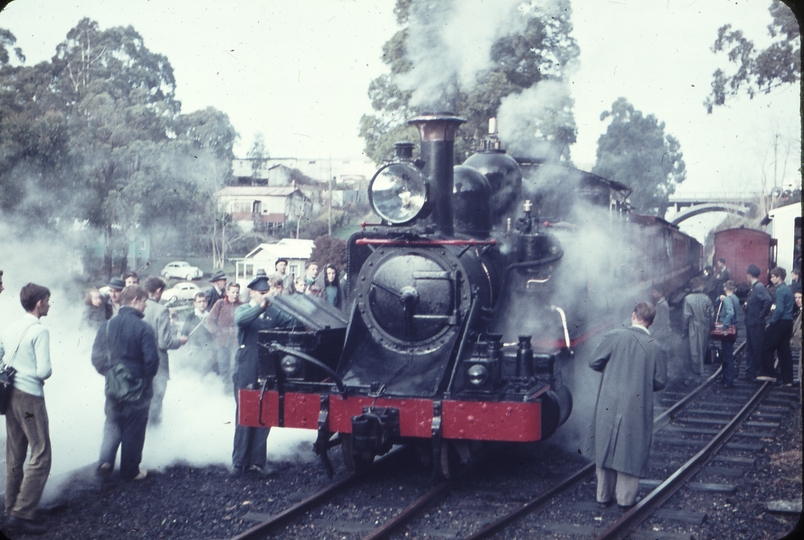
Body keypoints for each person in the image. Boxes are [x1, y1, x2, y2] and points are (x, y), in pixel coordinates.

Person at [589, 302, 666, 510]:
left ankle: (603, 496)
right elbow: (660, 382)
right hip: (636, 404)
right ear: (651, 321)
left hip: (609, 401)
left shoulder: (615, 336)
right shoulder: (655, 347)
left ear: (633, 315)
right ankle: (625, 499)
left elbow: (594, 361)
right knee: (631, 448)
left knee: (606, 445)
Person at [91, 285, 159, 483]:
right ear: (135, 300)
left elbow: (96, 358)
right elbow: (152, 362)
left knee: (112, 422)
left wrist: (110, 373)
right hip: (138, 388)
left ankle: (105, 461)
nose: (146, 305)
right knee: (134, 428)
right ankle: (130, 471)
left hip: (113, 385)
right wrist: (145, 380)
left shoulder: (107, 326)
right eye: (144, 301)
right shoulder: (144, 328)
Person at [231, 275, 297, 478]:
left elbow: (292, 320)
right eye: (261, 293)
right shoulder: (244, 309)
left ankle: (257, 462)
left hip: (267, 367)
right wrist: (262, 306)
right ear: (252, 292)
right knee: (245, 414)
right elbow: (241, 320)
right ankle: (239, 462)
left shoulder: (272, 312)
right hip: (247, 366)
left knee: (265, 413)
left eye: (266, 293)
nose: (264, 296)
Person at [0, 283, 53, 535]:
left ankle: (11, 507)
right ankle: (22, 513)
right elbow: (44, 370)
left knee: (15, 451)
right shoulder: (39, 331)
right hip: (30, 400)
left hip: (9, 397)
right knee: (41, 451)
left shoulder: (11, 327)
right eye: (48, 300)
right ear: (39, 303)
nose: (49, 304)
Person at [142, 276, 188, 425]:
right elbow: (164, 342)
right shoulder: (161, 310)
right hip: (157, 363)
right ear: (158, 291)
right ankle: (154, 433)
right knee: (156, 401)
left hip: (139, 362)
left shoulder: (137, 307)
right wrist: (179, 341)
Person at [757, 267, 795, 385]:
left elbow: (779, 310)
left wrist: (772, 323)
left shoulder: (779, 290)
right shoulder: (788, 290)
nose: (771, 278)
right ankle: (788, 379)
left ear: (779, 277)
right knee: (784, 350)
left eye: (773, 276)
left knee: (766, 346)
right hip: (788, 323)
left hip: (781, 322)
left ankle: (769, 373)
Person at [206, 282, 244, 386]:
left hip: (237, 341)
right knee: (224, 367)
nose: (235, 295)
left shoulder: (242, 305)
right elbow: (209, 320)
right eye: (233, 292)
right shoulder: (220, 303)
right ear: (227, 292)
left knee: (236, 366)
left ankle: (235, 390)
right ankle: (224, 390)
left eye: (237, 292)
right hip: (222, 341)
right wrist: (217, 332)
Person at [743, 264, 773, 381]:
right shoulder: (754, 287)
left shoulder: (759, 287)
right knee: (750, 348)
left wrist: (762, 314)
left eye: (747, 274)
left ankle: (759, 372)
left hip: (756, 323)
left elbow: (768, 300)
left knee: (757, 348)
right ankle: (750, 373)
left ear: (749, 275)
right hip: (751, 322)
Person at [682, 277, 714, 384]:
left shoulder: (688, 299)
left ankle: (693, 375)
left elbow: (686, 316)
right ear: (700, 287)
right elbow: (711, 314)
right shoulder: (706, 298)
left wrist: (684, 330)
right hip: (705, 328)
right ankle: (699, 373)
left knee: (693, 351)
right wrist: (711, 327)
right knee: (702, 349)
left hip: (693, 328)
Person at [180, 293, 216, 373]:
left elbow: (213, 335)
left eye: (204, 301)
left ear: (207, 302)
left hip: (207, 349)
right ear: (195, 304)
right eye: (199, 302)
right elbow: (184, 334)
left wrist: (211, 350)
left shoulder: (210, 316)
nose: (202, 304)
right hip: (194, 349)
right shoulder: (191, 316)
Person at [716, 280, 740, 388]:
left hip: (728, 330)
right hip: (734, 328)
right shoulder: (735, 298)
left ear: (725, 288)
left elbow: (730, 313)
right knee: (727, 354)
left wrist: (724, 326)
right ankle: (725, 378)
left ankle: (728, 380)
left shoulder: (727, 300)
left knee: (727, 355)